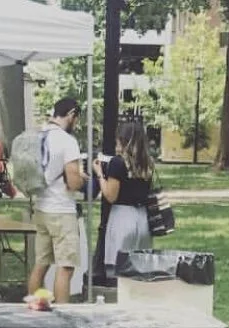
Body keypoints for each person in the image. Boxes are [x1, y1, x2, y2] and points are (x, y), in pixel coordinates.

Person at [27, 96, 87, 305]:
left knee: (41, 264)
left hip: (41, 208)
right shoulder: (67, 141)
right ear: (71, 115)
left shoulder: (39, 136)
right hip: (61, 210)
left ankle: (33, 310)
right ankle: (62, 317)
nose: (76, 124)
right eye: (76, 119)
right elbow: (73, 182)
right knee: (65, 267)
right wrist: (82, 178)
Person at [92, 119, 153, 278]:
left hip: (122, 217)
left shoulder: (118, 163)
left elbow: (110, 196)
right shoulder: (147, 163)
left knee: (117, 266)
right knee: (139, 266)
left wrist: (99, 173)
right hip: (142, 218)